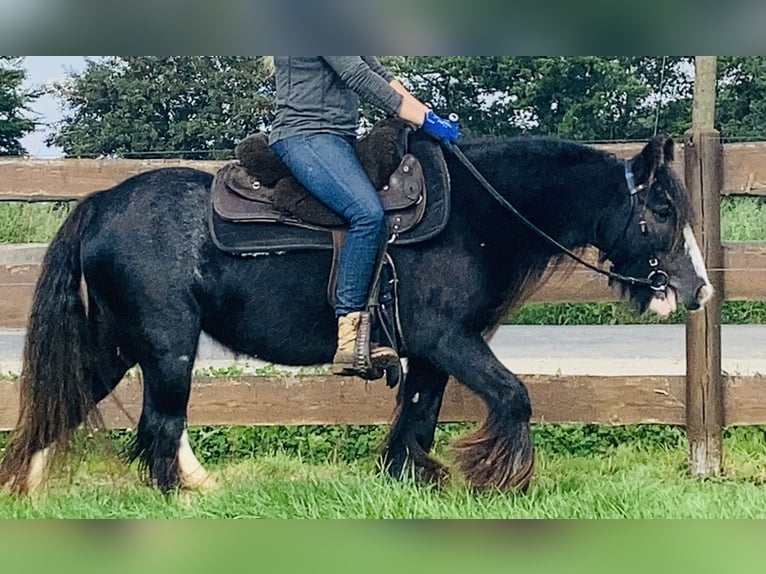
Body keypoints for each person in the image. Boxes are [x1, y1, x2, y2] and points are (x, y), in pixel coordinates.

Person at [268, 56, 459, 377]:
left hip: (336, 138)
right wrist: (422, 118)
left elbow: (378, 73)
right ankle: (349, 338)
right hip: (306, 136)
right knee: (367, 214)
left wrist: (425, 113)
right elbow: (356, 75)